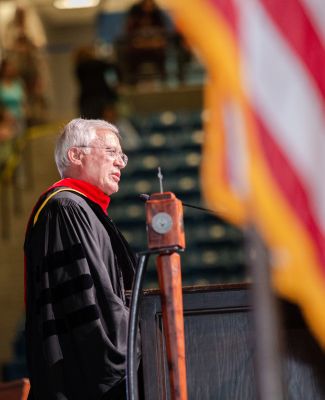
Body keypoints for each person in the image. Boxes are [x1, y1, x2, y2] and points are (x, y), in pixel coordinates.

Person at [24, 118, 140, 400]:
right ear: (76, 154)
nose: (121, 163)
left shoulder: (85, 211)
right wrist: (133, 346)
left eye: (121, 155)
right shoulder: (66, 208)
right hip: (85, 380)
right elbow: (87, 303)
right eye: (111, 152)